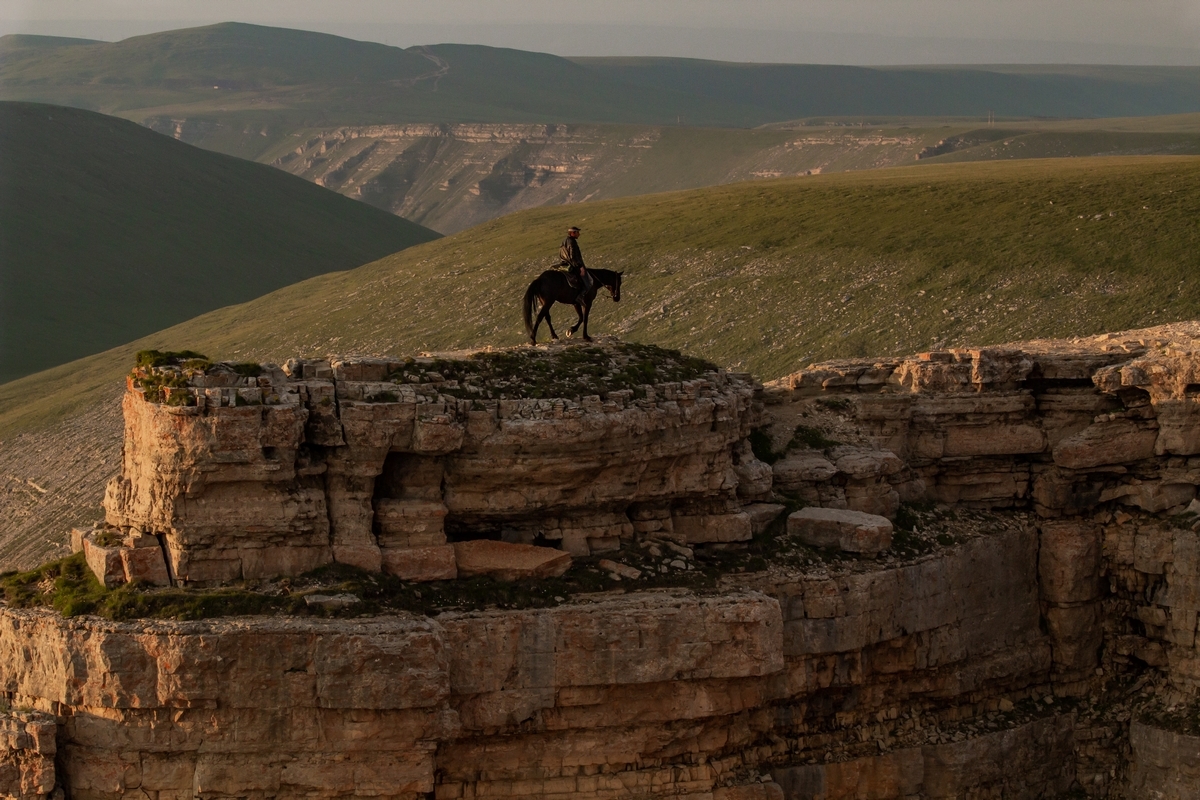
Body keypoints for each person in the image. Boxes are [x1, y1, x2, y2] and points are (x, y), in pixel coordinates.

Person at [558, 226, 591, 294]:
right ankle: (581, 294)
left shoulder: (564, 241)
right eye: (577, 232)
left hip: (565, 262)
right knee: (584, 279)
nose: (579, 234)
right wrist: (580, 266)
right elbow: (573, 257)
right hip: (572, 264)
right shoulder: (572, 242)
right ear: (572, 233)